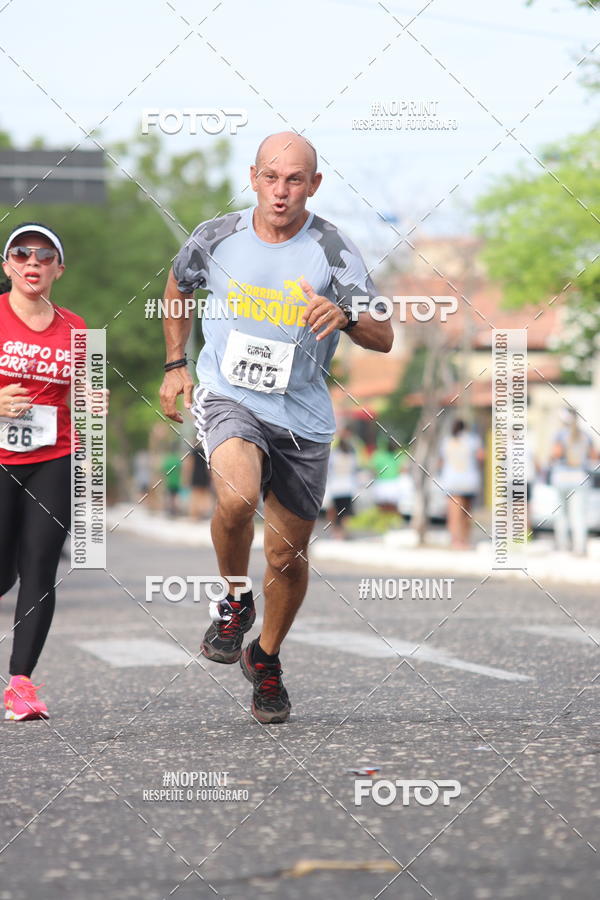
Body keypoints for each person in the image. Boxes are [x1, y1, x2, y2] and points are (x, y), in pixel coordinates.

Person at [159, 132, 393, 724]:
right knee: (235, 497)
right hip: (229, 394)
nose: (281, 190)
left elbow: (383, 336)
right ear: (254, 177)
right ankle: (236, 602)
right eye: (271, 176)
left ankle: (265, 658)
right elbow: (178, 286)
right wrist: (174, 364)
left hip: (303, 414)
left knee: (287, 556)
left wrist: (344, 316)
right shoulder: (216, 237)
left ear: (313, 184)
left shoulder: (335, 249)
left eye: (295, 179)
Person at [0, 222, 83, 720]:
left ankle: (21, 684)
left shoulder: (76, 328)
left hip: (53, 456)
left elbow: (83, 404)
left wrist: (94, 402)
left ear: (58, 269)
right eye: (22, 252)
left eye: (44, 255)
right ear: (7, 264)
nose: (33, 261)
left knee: (40, 568)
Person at [550, 408, 597, 556]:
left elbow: (555, 454)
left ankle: (562, 545)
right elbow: (594, 456)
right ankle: (580, 547)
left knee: (561, 514)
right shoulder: (586, 436)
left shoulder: (559, 435)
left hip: (562, 477)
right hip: (580, 478)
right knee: (579, 515)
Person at [438, 419, 484, 550]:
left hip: (451, 482)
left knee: (454, 514)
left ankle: (455, 541)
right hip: (469, 481)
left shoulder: (446, 441)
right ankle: (465, 540)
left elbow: (441, 462)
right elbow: (481, 457)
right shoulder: (473, 440)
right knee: (466, 514)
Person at [326, 426, 360, 540]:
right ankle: (343, 533)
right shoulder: (352, 455)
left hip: (336, 486)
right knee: (345, 511)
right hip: (348, 486)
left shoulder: (334, 455)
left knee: (335, 510)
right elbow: (355, 469)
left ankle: (336, 532)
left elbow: (329, 469)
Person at [370, 435, 406, 512]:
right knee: (390, 506)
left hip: (387, 483)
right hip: (388, 483)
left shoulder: (378, 454)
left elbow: (373, 469)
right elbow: (402, 470)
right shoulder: (397, 455)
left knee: (384, 506)